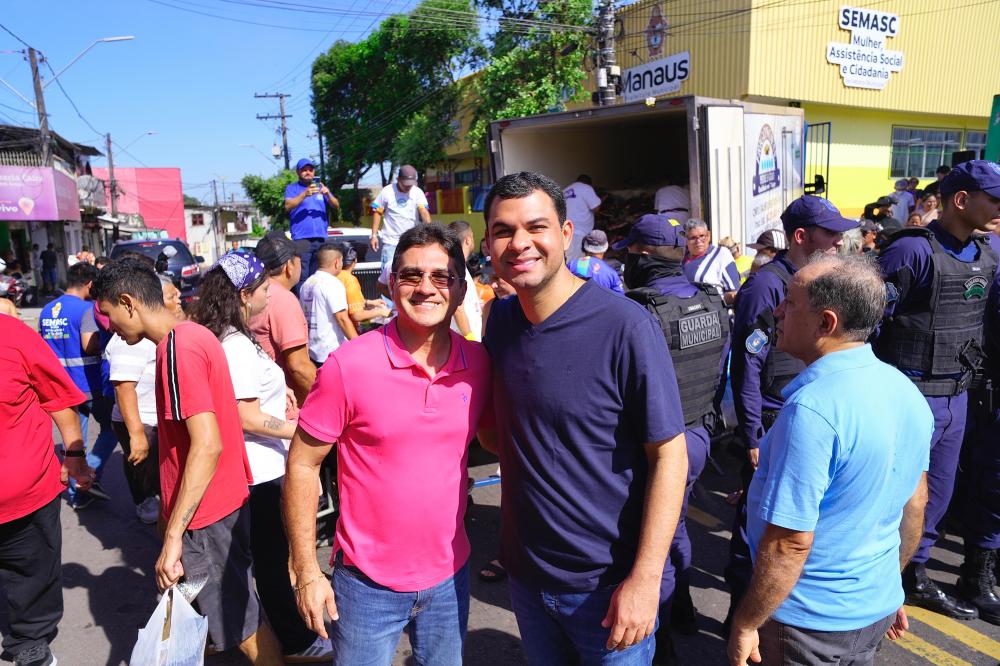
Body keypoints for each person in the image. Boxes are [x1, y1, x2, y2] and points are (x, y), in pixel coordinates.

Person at [481, 171, 688, 663]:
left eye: (536, 227)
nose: (520, 243)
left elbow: (670, 456)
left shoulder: (625, 325)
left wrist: (645, 578)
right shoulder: (502, 323)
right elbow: (498, 433)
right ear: (489, 242)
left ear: (566, 235)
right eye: (504, 230)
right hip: (528, 580)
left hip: (608, 587)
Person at [284, 223, 493, 665]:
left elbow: (499, 439)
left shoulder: (477, 364)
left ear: (459, 289)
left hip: (450, 577)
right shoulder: (349, 365)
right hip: (365, 586)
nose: (426, 288)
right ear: (391, 283)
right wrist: (305, 570)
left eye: (441, 277)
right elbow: (302, 465)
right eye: (411, 275)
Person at [727, 254, 932, 666]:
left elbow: (789, 542)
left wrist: (746, 622)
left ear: (826, 323)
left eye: (790, 302)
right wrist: (887, 587)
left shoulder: (812, 411)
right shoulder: (905, 391)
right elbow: (915, 504)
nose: (778, 311)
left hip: (807, 623)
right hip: (874, 607)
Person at [92, 259, 282, 663]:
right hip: (218, 506)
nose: (109, 326)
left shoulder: (178, 349)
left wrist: (176, 533)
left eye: (108, 314)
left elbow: (207, 444)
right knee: (231, 614)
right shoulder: (192, 335)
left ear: (128, 303)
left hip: (208, 516)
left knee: (241, 626)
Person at [190, 251, 334, 662]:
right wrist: (304, 432)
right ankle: (295, 640)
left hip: (264, 466)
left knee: (270, 561)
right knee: (271, 565)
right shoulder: (233, 345)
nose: (270, 297)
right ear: (243, 294)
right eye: (264, 290)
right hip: (259, 471)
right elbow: (245, 417)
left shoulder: (237, 337)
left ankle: (284, 634)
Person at [875, 160, 1000, 621]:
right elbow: (866, 324)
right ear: (962, 200)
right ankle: (873, 581)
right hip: (908, 394)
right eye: (995, 199)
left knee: (939, 497)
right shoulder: (910, 252)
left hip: (958, 393)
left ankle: (914, 573)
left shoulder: (988, 253)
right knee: (891, 496)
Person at [725, 195, 854, 630]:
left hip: (806, 420)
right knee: (755, 534)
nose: (840, 240)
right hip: (771, 424)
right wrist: (753, 439)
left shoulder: (815, 282)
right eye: (831, 233)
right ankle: (738, 626)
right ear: (801, 236)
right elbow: (748, 367)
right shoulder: (767, 286)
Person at [618, 214, 729, 658]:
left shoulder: (639, 309)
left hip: (658, 444)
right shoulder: (711, 299)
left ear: (641, 255)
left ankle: (660, 637)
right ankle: (681, 605)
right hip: (701, 432)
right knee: (676, 523)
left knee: (650, 536)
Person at [0, 314, 94, 666]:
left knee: (34, 574)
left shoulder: (12, 335)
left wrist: (75, 455)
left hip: (27, 499)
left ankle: (31, 644)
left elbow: (58, 400)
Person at [38, 262, 116, 510]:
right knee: (111, 429)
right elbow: (88, 345)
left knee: (75, 440)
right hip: (88, 383)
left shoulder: (47, 310)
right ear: (90, 284)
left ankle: (76, 490)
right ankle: (87, 478)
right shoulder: (86, 309)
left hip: (61, 386)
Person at [105, 260, 177, 524]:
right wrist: (137, 434)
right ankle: (144, 500)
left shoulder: (162, 333)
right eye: (171, 296)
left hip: (154, 417)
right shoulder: (129, 338)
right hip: (141, 418)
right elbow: (124, 388)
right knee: (142, 468)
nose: (177, 300)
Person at [251, 233, 316, 406]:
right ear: (289, 266)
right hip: (283, 408)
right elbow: (299, 366)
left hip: (259, 401)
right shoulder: (283, 299)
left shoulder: (253, 293)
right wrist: (328, 399)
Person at [284, 158, 340, 289]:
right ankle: (302, 307)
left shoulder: (321, 187)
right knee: (302, 276)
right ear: (298, 172)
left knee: (319, 276)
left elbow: (336, 205)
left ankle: (314, 306)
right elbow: (287, 206)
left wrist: (328, 194)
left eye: (310, 170)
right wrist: (304, 194)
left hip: (320, 238)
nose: (308, 172)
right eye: (304, 170)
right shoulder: (292, 188)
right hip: (301, 239)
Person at [300, 244, 357, 366]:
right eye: (342, 261)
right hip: (331, 351)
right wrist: (358, 344)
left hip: (312, 350)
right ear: (337, 262)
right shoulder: (332, 283)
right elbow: (342, 318)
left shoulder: (306, 284)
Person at [370, 164, 431, 272]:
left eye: (410, 185)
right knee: (389, 274)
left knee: (411, 273)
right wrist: (374, 235)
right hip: (391, 243)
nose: (408, 187)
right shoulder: (387, 191)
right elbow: (377, 212)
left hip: (411, 241)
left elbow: (423, 211)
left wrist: (430, 230)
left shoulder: (417, 192)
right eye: (405, 184)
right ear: (398, 179)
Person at [682, 219, 740, 305]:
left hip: (712, 314)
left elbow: (734, 293)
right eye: (693, 238)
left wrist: (711, 304)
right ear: (686, 240)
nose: (698, 241)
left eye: (702, 236)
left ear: (708, 235)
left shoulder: (721, 254)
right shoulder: (680, 259)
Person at [336, 243, 390, 329]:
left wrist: (370, 302)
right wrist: (382, 312)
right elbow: (357, 315)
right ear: (355, 261)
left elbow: (344, 303)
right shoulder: (349, 280)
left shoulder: (332, 277)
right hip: (345, 333)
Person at [448, 220, 485, 340]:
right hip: (465, 341)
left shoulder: (460, 266)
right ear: (468, 239)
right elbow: (458, 308)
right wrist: (470, 338)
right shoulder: (456, 268)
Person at [568, 230, 625, 294]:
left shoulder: (572, 265)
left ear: (584, 246)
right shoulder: (611, 274)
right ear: (605, 247)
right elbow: (620, 297)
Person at [563, 175, 602, 263]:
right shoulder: (586, 188)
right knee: (575, 261)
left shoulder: (565, 190)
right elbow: (596, 207)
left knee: (567, 257)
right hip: (578, 232)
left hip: (565, 229)